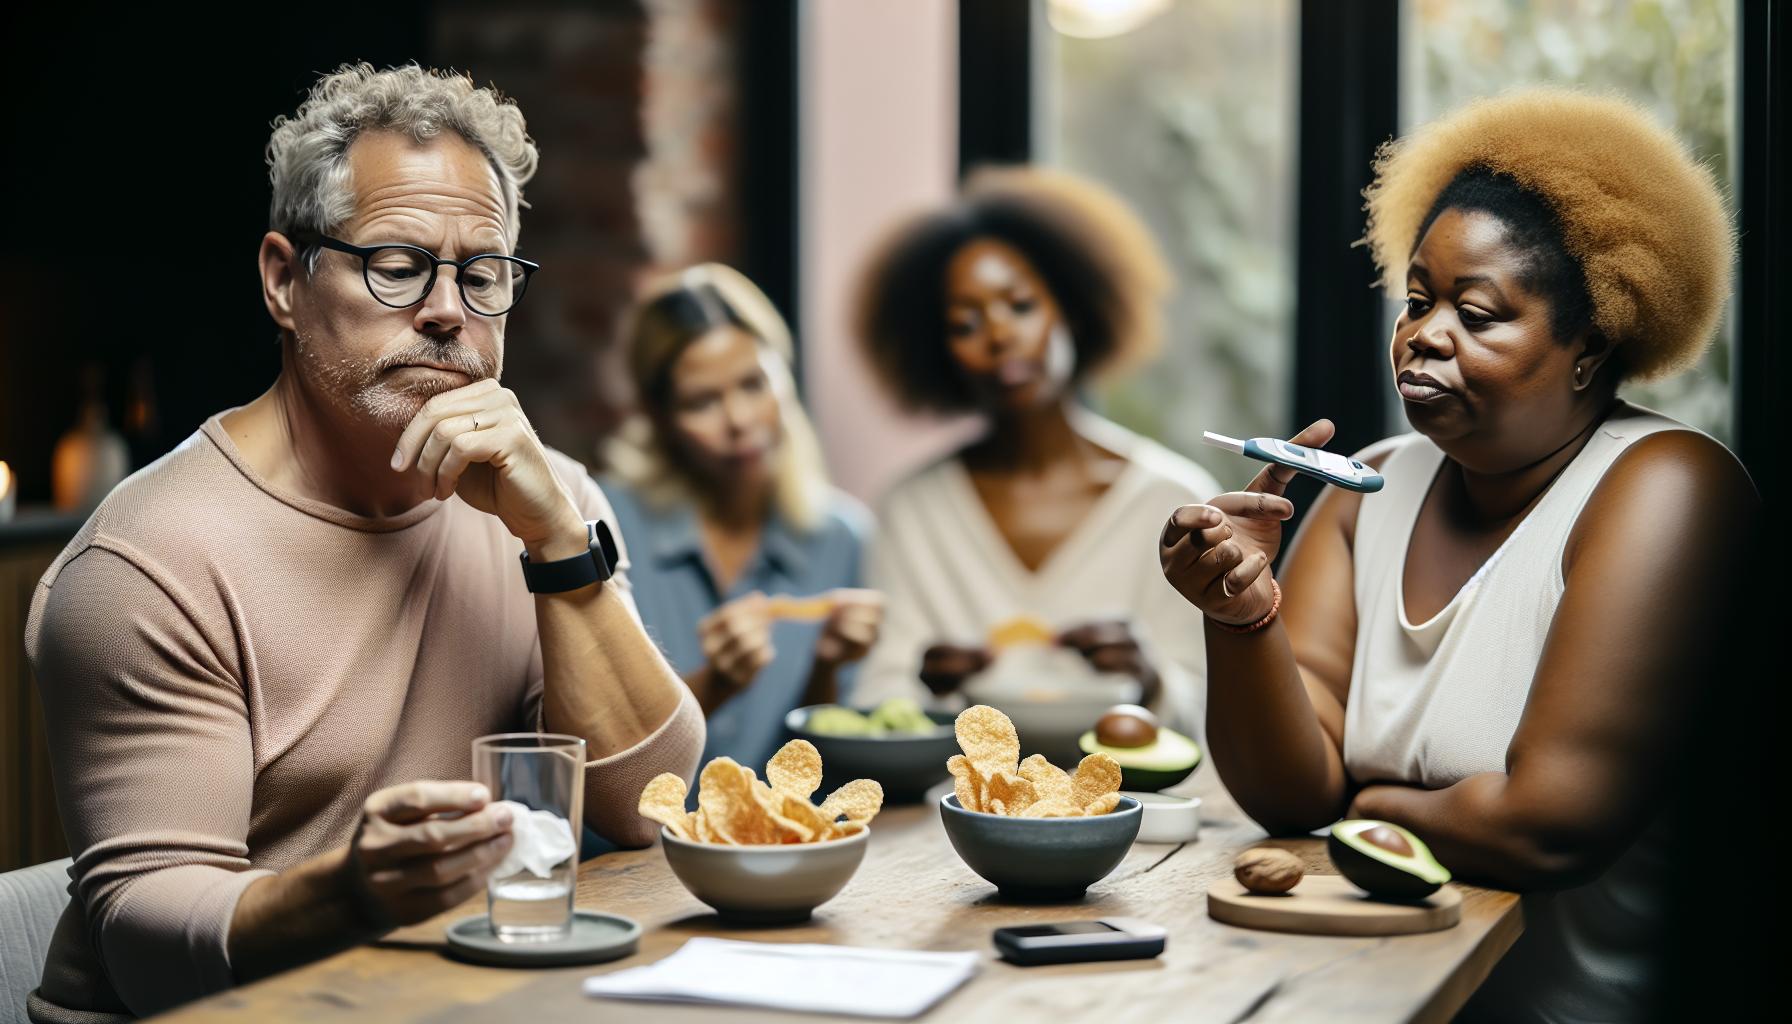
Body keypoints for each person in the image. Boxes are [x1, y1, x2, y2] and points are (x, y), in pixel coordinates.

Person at [23, 63, 703, 1022]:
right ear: (283, 281)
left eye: (482, 274)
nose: (447, 310)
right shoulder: (151, 562)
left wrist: (559, 542)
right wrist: (352, 894)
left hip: (451, 1002)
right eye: (396, 264)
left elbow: (650, 802)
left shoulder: (551, 503)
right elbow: (147, 948)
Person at [1157, 89, 1752, 1022]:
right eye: (1418, 302)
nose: (1425, 335)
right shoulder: (1372, 486)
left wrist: (1365, 804)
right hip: (1365, 998)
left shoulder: (1664, 485)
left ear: (1590, 345)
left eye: (1478, 314)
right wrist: (1241, 616)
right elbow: (1293, 796)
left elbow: (1548, 828)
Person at [852, 166, 1219, 735]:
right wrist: (923, 689)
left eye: (1021, 306)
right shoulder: (913, 511)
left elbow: (1222, 716)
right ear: (938, 350)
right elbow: (879, 701)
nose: (999, 336)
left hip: (1131, 789)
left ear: (1071, 308)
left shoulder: (1174, 501)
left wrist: (1150, 678)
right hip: (962, 789)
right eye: (965, 324)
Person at [603, 263, 880, 769]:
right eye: (702, 402)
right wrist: (714, 684)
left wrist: (826, 666)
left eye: (754, 384)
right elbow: (599, 753)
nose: (739, 420)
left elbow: (820, 770)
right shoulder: (604, 524)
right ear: (658, 417)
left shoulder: (842, 538)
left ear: (785, 375)